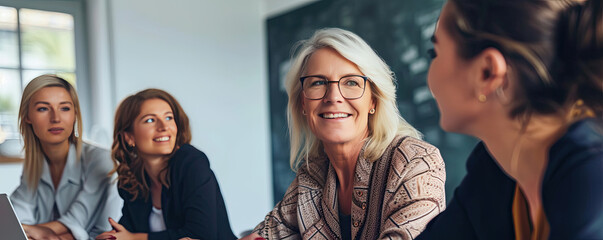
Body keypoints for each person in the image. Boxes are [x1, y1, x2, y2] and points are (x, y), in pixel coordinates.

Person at [417, 0, 603, 239]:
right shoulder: (494, 171)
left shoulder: (591, 178)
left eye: (436, 53)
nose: (429, 76)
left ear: (487, 72)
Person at [242, 28, 446, 240]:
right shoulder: (311, 176)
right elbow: (262, 236)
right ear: (303, 103)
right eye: (318, 82)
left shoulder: (416, 162)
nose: (333, 97)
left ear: (373, 101)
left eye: (351, 82)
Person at [96, 89, 236, 240]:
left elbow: (199, 235)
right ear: (129, 137)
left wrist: (135, 238)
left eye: (169, 118)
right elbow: (126, 232)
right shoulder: (132, 180)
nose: (164, 127)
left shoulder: (191, 162)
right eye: (150, 120)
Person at [10, 74, 121, 240]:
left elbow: (77, 220)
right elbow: (17, 214)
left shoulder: (100, 159)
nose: (56, 118)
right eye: (43, 108)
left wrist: (30, 231)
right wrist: (29, 230)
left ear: (75, 114)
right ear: (27, 116)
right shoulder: (34, 165)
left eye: (65, 108)